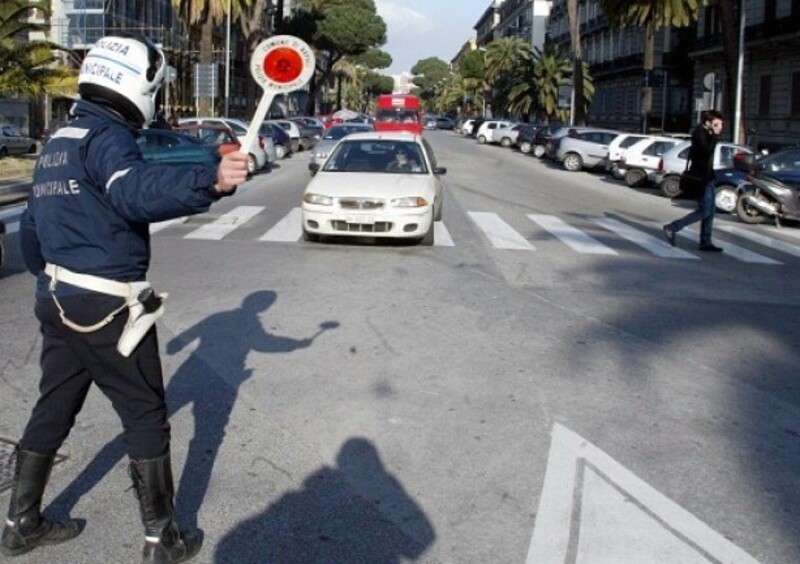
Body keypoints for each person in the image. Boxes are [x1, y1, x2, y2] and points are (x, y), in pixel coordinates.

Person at [2, 33, 248, 563]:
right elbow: (133, 191)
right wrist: (212, 178)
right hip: (108, 306)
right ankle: (164, 539)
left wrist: (53, 286)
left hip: (59, 300)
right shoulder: (107, 137)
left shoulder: (58, 141)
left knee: (55, 404)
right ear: (136, 83)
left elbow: (31, 232)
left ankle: (21, 524)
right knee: (144, 414)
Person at [662, 109, 725, 252]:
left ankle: (705, 241)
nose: (720, 126)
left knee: (710, 211)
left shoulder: (706, 133)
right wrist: (715, 136)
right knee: (705, 211)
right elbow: (706, 152)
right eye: (717, 123)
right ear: (708, 122)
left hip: (708, 177)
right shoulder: (699, 133)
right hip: (701, 178)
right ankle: (672, 228)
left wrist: (713, 135)